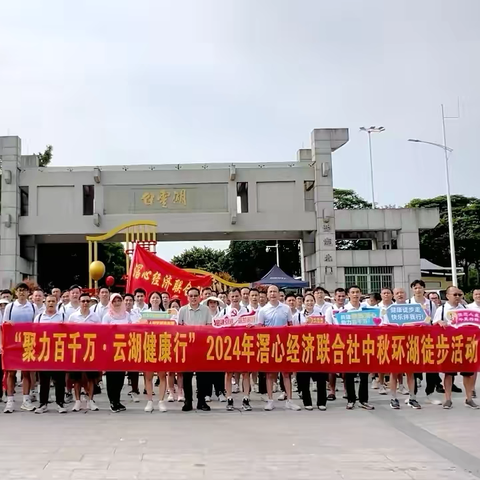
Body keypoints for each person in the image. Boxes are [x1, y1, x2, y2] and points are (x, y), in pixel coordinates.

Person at [433, 285, 479, 409]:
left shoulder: (466, 308)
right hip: (449, 346)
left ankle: (469, 398)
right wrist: (439, 323)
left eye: (459, 295)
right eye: (455, 295)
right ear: (447, 296)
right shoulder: (441, 309)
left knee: (468, 373)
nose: (458, 297)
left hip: (465, 346)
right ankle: (448, 399)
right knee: (449, 374)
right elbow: (433, 325)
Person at [257, 285, 301, 411]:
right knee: (270, 374)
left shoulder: (286, 308)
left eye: (275, 291)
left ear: (278, 293)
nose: (272, 294)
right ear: (267, 294)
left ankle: (289, 400)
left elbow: (290, 325)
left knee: (286, 374)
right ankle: (270, 400)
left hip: (284, 345)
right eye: (270, 292)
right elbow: (260, 328)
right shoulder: (263, 310)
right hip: (270, 345)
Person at [2, 282, 37, 413]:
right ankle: (10, 401)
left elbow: (36, 325)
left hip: (27, 343)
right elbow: (4, 325)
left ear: (28, 293)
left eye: (24, 290)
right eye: (19, 290)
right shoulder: (10, 307)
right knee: (11, 373)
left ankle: (26, 400)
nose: (22, 292)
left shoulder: (33, 307)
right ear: (16, 293)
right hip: (12, 344)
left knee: (26, 372)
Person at [409, 279, 445, 404]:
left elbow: (434, 320)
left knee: (431, 367)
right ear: (412, 290)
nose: (418, 290)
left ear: (424, 289)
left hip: (428, 339)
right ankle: (412, 395)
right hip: (412, 339)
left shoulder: (431, 304)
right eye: (415, 288)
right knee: (413, 368)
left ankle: (429, 393)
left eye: (420, 288)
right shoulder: (408, 303)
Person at [178, 287, 212, 412]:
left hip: (202, 347)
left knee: (202, 376)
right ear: (187, 297)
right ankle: (188, 401)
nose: (193, 298)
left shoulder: (206, 310)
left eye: (195, 296)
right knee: (187, 376)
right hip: (187, 348)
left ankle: (201, 401)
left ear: (200, 297)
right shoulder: (182, 310)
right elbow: (179, 328)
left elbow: (209, 327)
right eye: (191, 296)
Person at [67, 292, 102, 412]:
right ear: (79, 302)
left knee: (91, 377)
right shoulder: (73, 317)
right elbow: (69, 334)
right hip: (77, 350)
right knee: (76, 378)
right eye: (83, 301)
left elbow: (100, 334)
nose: (85, 303)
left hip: (91, 350)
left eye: (88, 301)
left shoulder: (95, 317)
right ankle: (77, 401)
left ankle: (90, 400)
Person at [34, 294, 67, 414]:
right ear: (45, 303)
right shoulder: (38, 318)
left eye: (53, 301)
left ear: (57, 302)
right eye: (49, 301)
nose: (51, 303)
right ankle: (43, 403)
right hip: (44, 352)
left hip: (58, 352)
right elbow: (34, 334)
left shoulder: (62, 316)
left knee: (59, 379)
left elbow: (68, 333)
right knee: (44, 380)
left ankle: (60, 403)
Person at [343, 285, 374, 410]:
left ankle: (363, 400)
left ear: (361, 294)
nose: (355, 295)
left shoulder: (367, 309)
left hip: (364, 344)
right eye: (353, 292)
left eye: (357, 292)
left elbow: (376, 324)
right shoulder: (343, 311)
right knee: (349, 374)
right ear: (348, 295)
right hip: (349, 344)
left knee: (364, 375)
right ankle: (351, 399)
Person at [294, 293, 327, 410]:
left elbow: (326, 329)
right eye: (307, 301)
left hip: (318, 348)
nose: (309, 303)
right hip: (304, 349)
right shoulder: (298, 316)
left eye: (311, 300)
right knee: (304, 377)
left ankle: (322, 402)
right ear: (303, 302)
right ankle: (307, 401)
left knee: (321, 377)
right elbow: (294, 332)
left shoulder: (320, 314)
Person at [102, 293, 130, 413]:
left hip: (123, 350)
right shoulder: (107, 316)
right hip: (111, 350)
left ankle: (117, 400)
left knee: (120, 377)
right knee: (111, 376)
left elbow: (131, 330)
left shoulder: (126, 315)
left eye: (119, 300)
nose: (117, 303)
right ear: (111, 303)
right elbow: (103, 333)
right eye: (115, 301)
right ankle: (112, 401)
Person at [144, 291, 167, 412]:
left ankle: (161, 401)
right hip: (149, 346)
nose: (155, 299)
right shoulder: (144, 314)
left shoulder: (165, 314)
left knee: (162, 375)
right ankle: (149, 401)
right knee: (148, 376)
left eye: (157, 297)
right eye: (153, 297)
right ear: (149, 300)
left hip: (162, 346)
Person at [324, 288, 347, 401]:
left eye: (343, 296)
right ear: (335, 297)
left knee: (346, 369)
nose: (341, 298)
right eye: (339, 296)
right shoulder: (329, 309)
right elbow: (328, 325)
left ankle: (346, 390)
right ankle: (332, 391)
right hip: (334, 341)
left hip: (347, 341)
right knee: (332, 369)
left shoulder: (348, 309)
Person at [124, 293, 141, 402]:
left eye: (130, 300)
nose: (128, 302)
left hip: (135, 341)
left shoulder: (137, 313)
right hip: (122, 343)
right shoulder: (119, 314)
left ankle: (135, 389)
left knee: (134, 367)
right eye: (126, 300)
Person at [166, 297, 184, 402]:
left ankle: (180, 392)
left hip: (180, 345)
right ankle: (171, 392)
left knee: (180, 372)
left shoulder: (182, 318)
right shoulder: (166, 318)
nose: (175, 309)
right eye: (173, 307)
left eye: (177, 307)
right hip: (168, 345)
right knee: (170, 371)